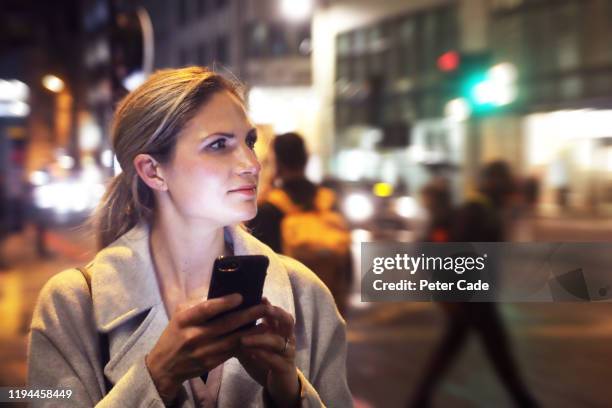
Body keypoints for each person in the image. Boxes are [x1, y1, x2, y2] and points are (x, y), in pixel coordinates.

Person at [28, 67, 352, 407]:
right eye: (218, 145)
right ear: (153, 171)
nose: (251, 164)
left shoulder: (305, 293)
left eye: (249, 142)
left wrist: (289, 395)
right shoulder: (71, 304)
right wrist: (157, 376)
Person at [409, 161, 538, 408]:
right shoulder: (476, 210)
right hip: (472, 298)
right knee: (498, 352)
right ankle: (524, 401)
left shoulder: (483, 209)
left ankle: (419, 401)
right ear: (496, 186)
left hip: (474, 297)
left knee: (456, 349)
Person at [249, 133, 352, 316]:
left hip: (291, 303)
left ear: (277, 162)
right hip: (329, 297)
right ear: (306, 159)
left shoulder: (269, 207)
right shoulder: (328, 200)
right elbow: (346, 256)